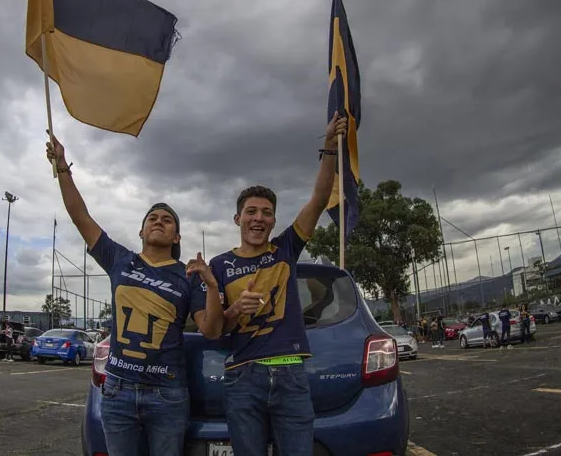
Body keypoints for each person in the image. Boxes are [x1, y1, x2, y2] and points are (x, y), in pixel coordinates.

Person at [45, 133, 223, 456]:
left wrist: (211, 286)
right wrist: (62, 168)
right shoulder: (119, 259)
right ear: (141, 231)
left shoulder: (189, 276)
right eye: (152, 218)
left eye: (167, 220)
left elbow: (211, 329)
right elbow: (80, 216)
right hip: (118, 390)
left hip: (167, 392)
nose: (159, 222)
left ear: (177, 235)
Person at [209, 112, 347, 456]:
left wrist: (329, 147)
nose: (259, 218)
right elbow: (215, 329)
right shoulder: (219, 265)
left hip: (291, 375)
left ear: (274, 220)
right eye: (251, 211)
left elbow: (318, 200)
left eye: (267, 212)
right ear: (237, 218)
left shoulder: (286, 248)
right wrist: (234, 309)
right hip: (243, 378)